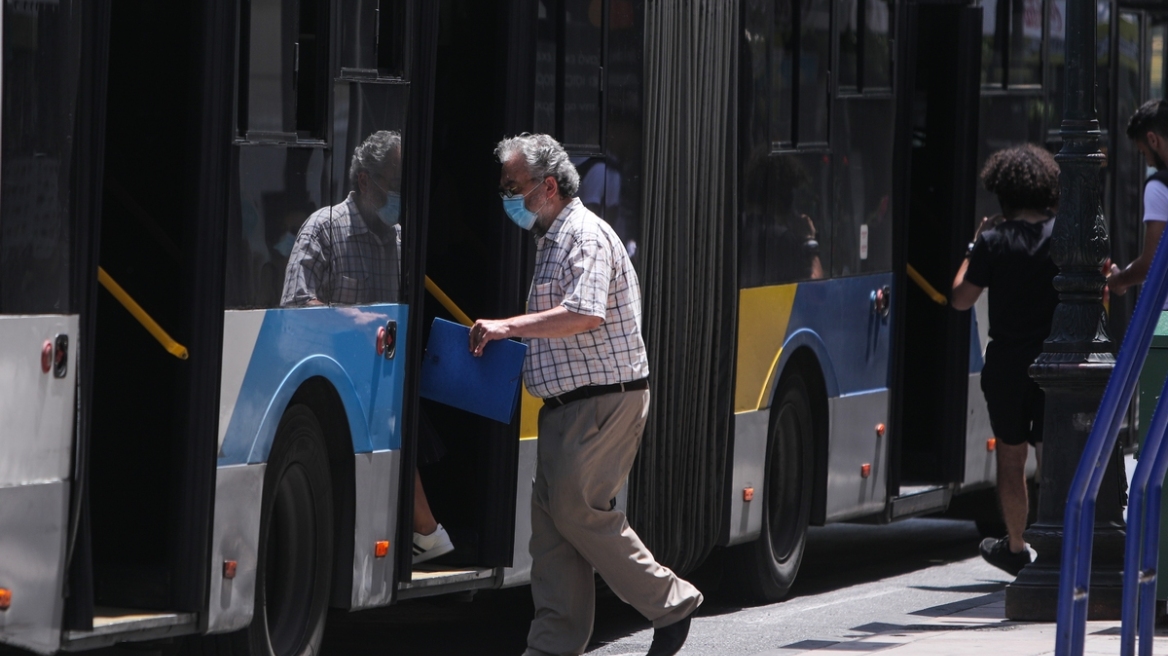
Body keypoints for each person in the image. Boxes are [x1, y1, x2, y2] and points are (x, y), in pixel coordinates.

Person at [469, 134, 702, 656]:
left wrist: (508, 327)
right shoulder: (551, 239)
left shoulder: (585, 235)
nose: (506, 197)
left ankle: (671, 602)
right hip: (565, 409)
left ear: (549, 186)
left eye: (513, 186)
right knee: (552, 534)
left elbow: (584, 313)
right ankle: (552, 646)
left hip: (602, 401)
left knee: (576, 512)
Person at [281, 130, 454, 564]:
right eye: (393, 185)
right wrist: (352, 320)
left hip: (381, 382)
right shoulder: (324, 228)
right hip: (327, 383)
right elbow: (295, 305)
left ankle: (422, 532)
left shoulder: (398, 241)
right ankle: (425, 532)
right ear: (363, 180)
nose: (399, 198)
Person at [951, 143, 1060, 576]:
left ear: (1003, 193)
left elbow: (960, 298)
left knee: (1012, 460)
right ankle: (1058, 547)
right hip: (1055, 366)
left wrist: (972, 246)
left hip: (1008, 366)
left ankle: (1015, 547)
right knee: (1052, 459)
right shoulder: (1062, 236)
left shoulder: (993, 243)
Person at [1108, 99, 1168, 298]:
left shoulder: (1158, 186)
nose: (1149, 163)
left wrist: (1119, 279)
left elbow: (1151, 263)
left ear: (1153, 139)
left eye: (1143, 153)